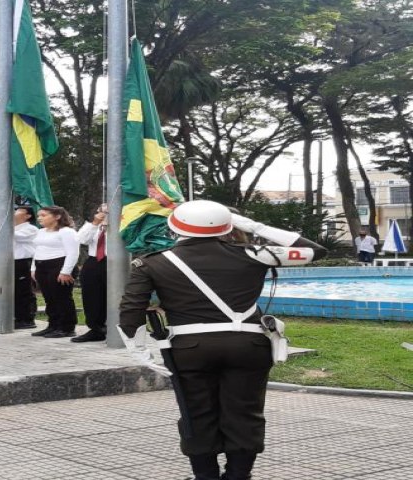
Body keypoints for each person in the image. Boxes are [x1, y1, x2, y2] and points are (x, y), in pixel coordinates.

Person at [119, 200, 327, 480]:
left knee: (196, 413)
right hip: (248, 346)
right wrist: (251, 225)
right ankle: (238, 475)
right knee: (245, 413)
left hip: (190, 349)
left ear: (173, 227)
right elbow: (315, 251)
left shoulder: (152, 262)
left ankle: (205, 476)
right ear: (227, 225)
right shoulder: (255, 254)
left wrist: (140, 353)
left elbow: (130, 313)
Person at [0, 206, 39, 329]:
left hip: (23, 262)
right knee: (9, 290)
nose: (13, 213)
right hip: (6, 261)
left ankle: (27, 319)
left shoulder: (31, 229)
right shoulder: (7, 228)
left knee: (23, 291)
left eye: (17, 211)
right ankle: (14, 316)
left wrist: (3, 224)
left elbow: (14, 236)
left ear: (28, 216)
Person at [31, 206, 79, 338]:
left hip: (59, 265)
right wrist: (33, 268)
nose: (40, 218)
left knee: (62, 297)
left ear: (57, 216)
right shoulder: (41, 232)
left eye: (44, 215)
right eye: (39, 215)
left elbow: (73, 253)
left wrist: (66, 271)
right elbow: (37, 250)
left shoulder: (66, 232)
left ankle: (67, 327)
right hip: (42, 265)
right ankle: (53, 325)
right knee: (49, 298)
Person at [72, 204, 108, 342]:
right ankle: (96, 328)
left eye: (107, 211)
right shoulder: (94, 227)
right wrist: (95, 223)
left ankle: (115, 326)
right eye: (101, 210)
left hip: (114, 261)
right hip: (94, 261)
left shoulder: (124, 224)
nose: (103, 213)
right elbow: (81, 239)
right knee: (92, 297)